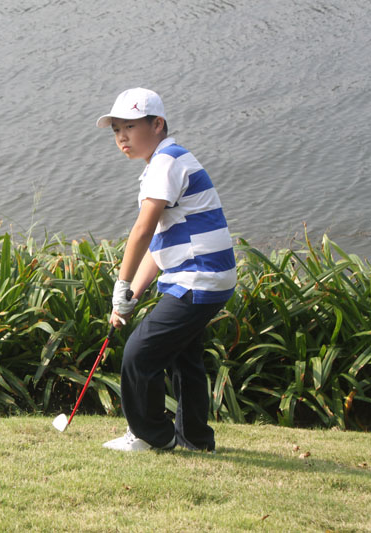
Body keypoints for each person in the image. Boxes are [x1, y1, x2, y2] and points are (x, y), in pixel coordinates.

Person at [95, 87, 236, 452]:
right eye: (116, 130)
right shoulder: (166, 162)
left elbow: (142, 230)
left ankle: (150, 436)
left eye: (130, 126)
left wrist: (121, 282)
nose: (122, 137)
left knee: (139, 354)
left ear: (157, 124)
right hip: (206, 276)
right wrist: (130, 296)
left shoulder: (166, 163)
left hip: (199, 277)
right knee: (184, 357)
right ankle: (195, 439)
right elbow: (160, 247)